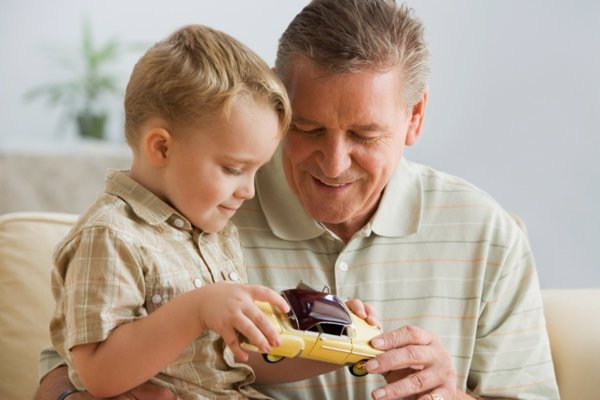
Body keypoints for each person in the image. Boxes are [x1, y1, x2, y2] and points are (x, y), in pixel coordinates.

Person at [37, 1, 560, 400]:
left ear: (415, 116)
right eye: (307, 128)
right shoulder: (200, 209)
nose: (333, 163)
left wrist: (424, 384)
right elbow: (71, 365)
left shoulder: (488, 235)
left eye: (364, 135)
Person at [47, 23, 374, 400]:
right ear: (162, 148)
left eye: (256, 171)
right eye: (234, 169)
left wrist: (336, 347)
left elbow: (243, 360)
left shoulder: (213, 234)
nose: (249, 191)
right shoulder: (111, 235)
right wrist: (197, 311)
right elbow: (98, 375)